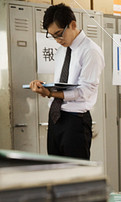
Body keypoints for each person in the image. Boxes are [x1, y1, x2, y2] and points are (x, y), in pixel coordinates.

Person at [29, 4, 104, 160]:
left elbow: (84, 92)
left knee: (76, 176)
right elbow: (61, 82)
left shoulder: (90, 51)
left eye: (59, 34)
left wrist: (50, 93)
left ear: (73, 24)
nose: (57, 40)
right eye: (52, 36)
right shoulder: (62, 50)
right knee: (56, 172)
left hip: (75, 120)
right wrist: (45, 88)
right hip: (56, 117)